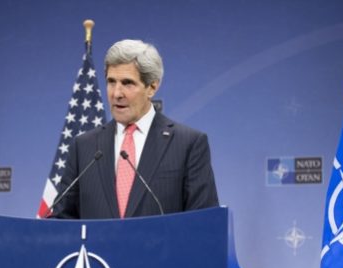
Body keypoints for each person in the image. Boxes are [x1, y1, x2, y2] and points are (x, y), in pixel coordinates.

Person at [51, 39, 218, 219]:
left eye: (127, 83)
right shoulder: (84, 146)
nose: (117, 93)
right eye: (111, 82)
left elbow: (203, 223)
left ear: (152, 87)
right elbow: (61, 221)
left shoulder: (188, 144)